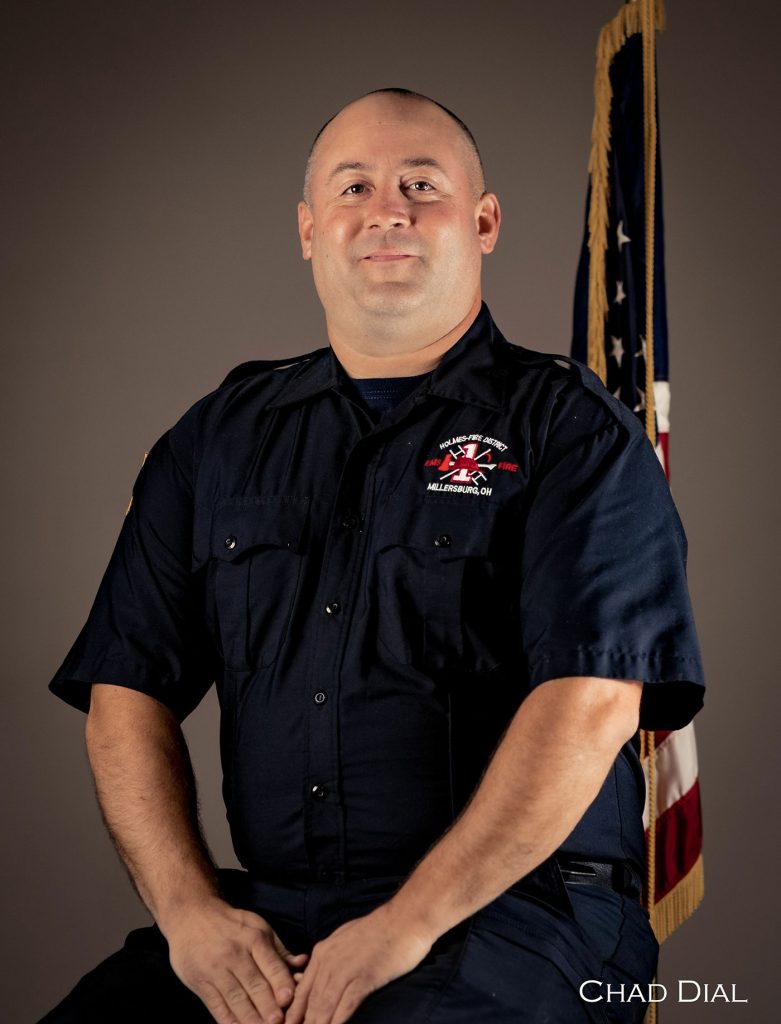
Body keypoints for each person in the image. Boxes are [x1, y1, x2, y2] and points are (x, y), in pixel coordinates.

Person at [41, 88, 705, 1024]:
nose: (384, 208)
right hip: (274, 916)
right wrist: (190, 914)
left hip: (526, 914)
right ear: (309, 229)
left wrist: (406, 924)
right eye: (352, 186)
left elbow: (591, 703)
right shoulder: (215, 440)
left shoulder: (570, 434)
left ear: (483, 222)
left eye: (420, 184)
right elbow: (124, 694)